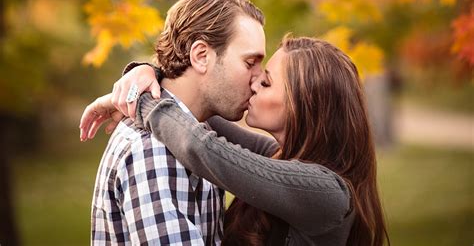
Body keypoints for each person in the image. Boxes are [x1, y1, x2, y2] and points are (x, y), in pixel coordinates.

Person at [81, 34, 390, 246]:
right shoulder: (279, 157)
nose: (254, 83)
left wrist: (140, 100)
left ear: (305, 105)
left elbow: (202, 147)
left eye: (266, 81)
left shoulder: (324, 193)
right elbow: (196, 105)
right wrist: (147, 74)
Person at [87, 0, 266, 245]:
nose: (258, 79)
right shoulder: (154, 149)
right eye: (250, 63)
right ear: (201, 56)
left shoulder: (199, 134)